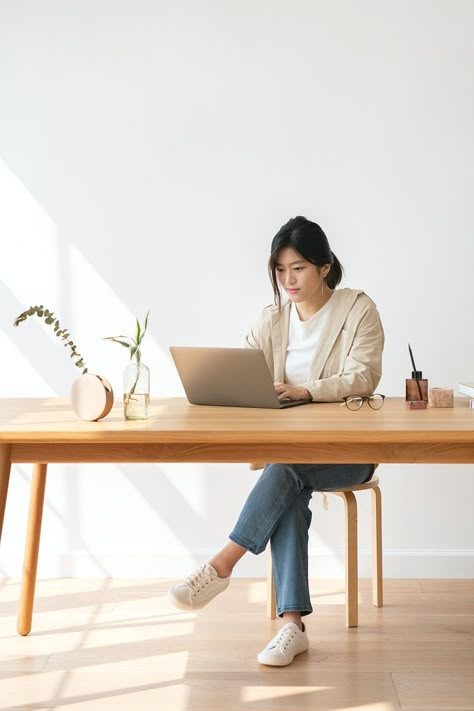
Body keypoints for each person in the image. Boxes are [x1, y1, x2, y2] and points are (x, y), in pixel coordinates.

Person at [169, 216, 384, 666]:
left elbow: (364, 376)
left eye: (299, 268)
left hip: (346, 454)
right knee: (288, 476)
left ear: (325, 267)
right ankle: (291, 625)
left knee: (286, 471)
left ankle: (223, 564)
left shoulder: (357, 309)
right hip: (289, 456)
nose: (288, 280)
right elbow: (241, 369)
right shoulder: (271, 320)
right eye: (280, 270)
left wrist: (307, 391)